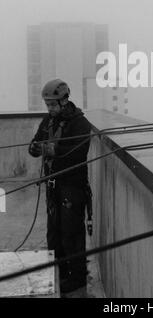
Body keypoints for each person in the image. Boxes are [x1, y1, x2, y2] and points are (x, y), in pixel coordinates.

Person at [28, 78, 92, 294]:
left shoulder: (79, 123)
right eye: (48, 105)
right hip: (53, 184)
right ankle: (61, 272)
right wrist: (35, 148)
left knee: (71, 231)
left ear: (64, 100)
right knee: (54, 231)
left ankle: (78, 276)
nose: (50, 109)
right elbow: (36, 142)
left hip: (72, 185)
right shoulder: (48, 122)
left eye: (53, 105)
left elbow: (78, 153)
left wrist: (53, 150)